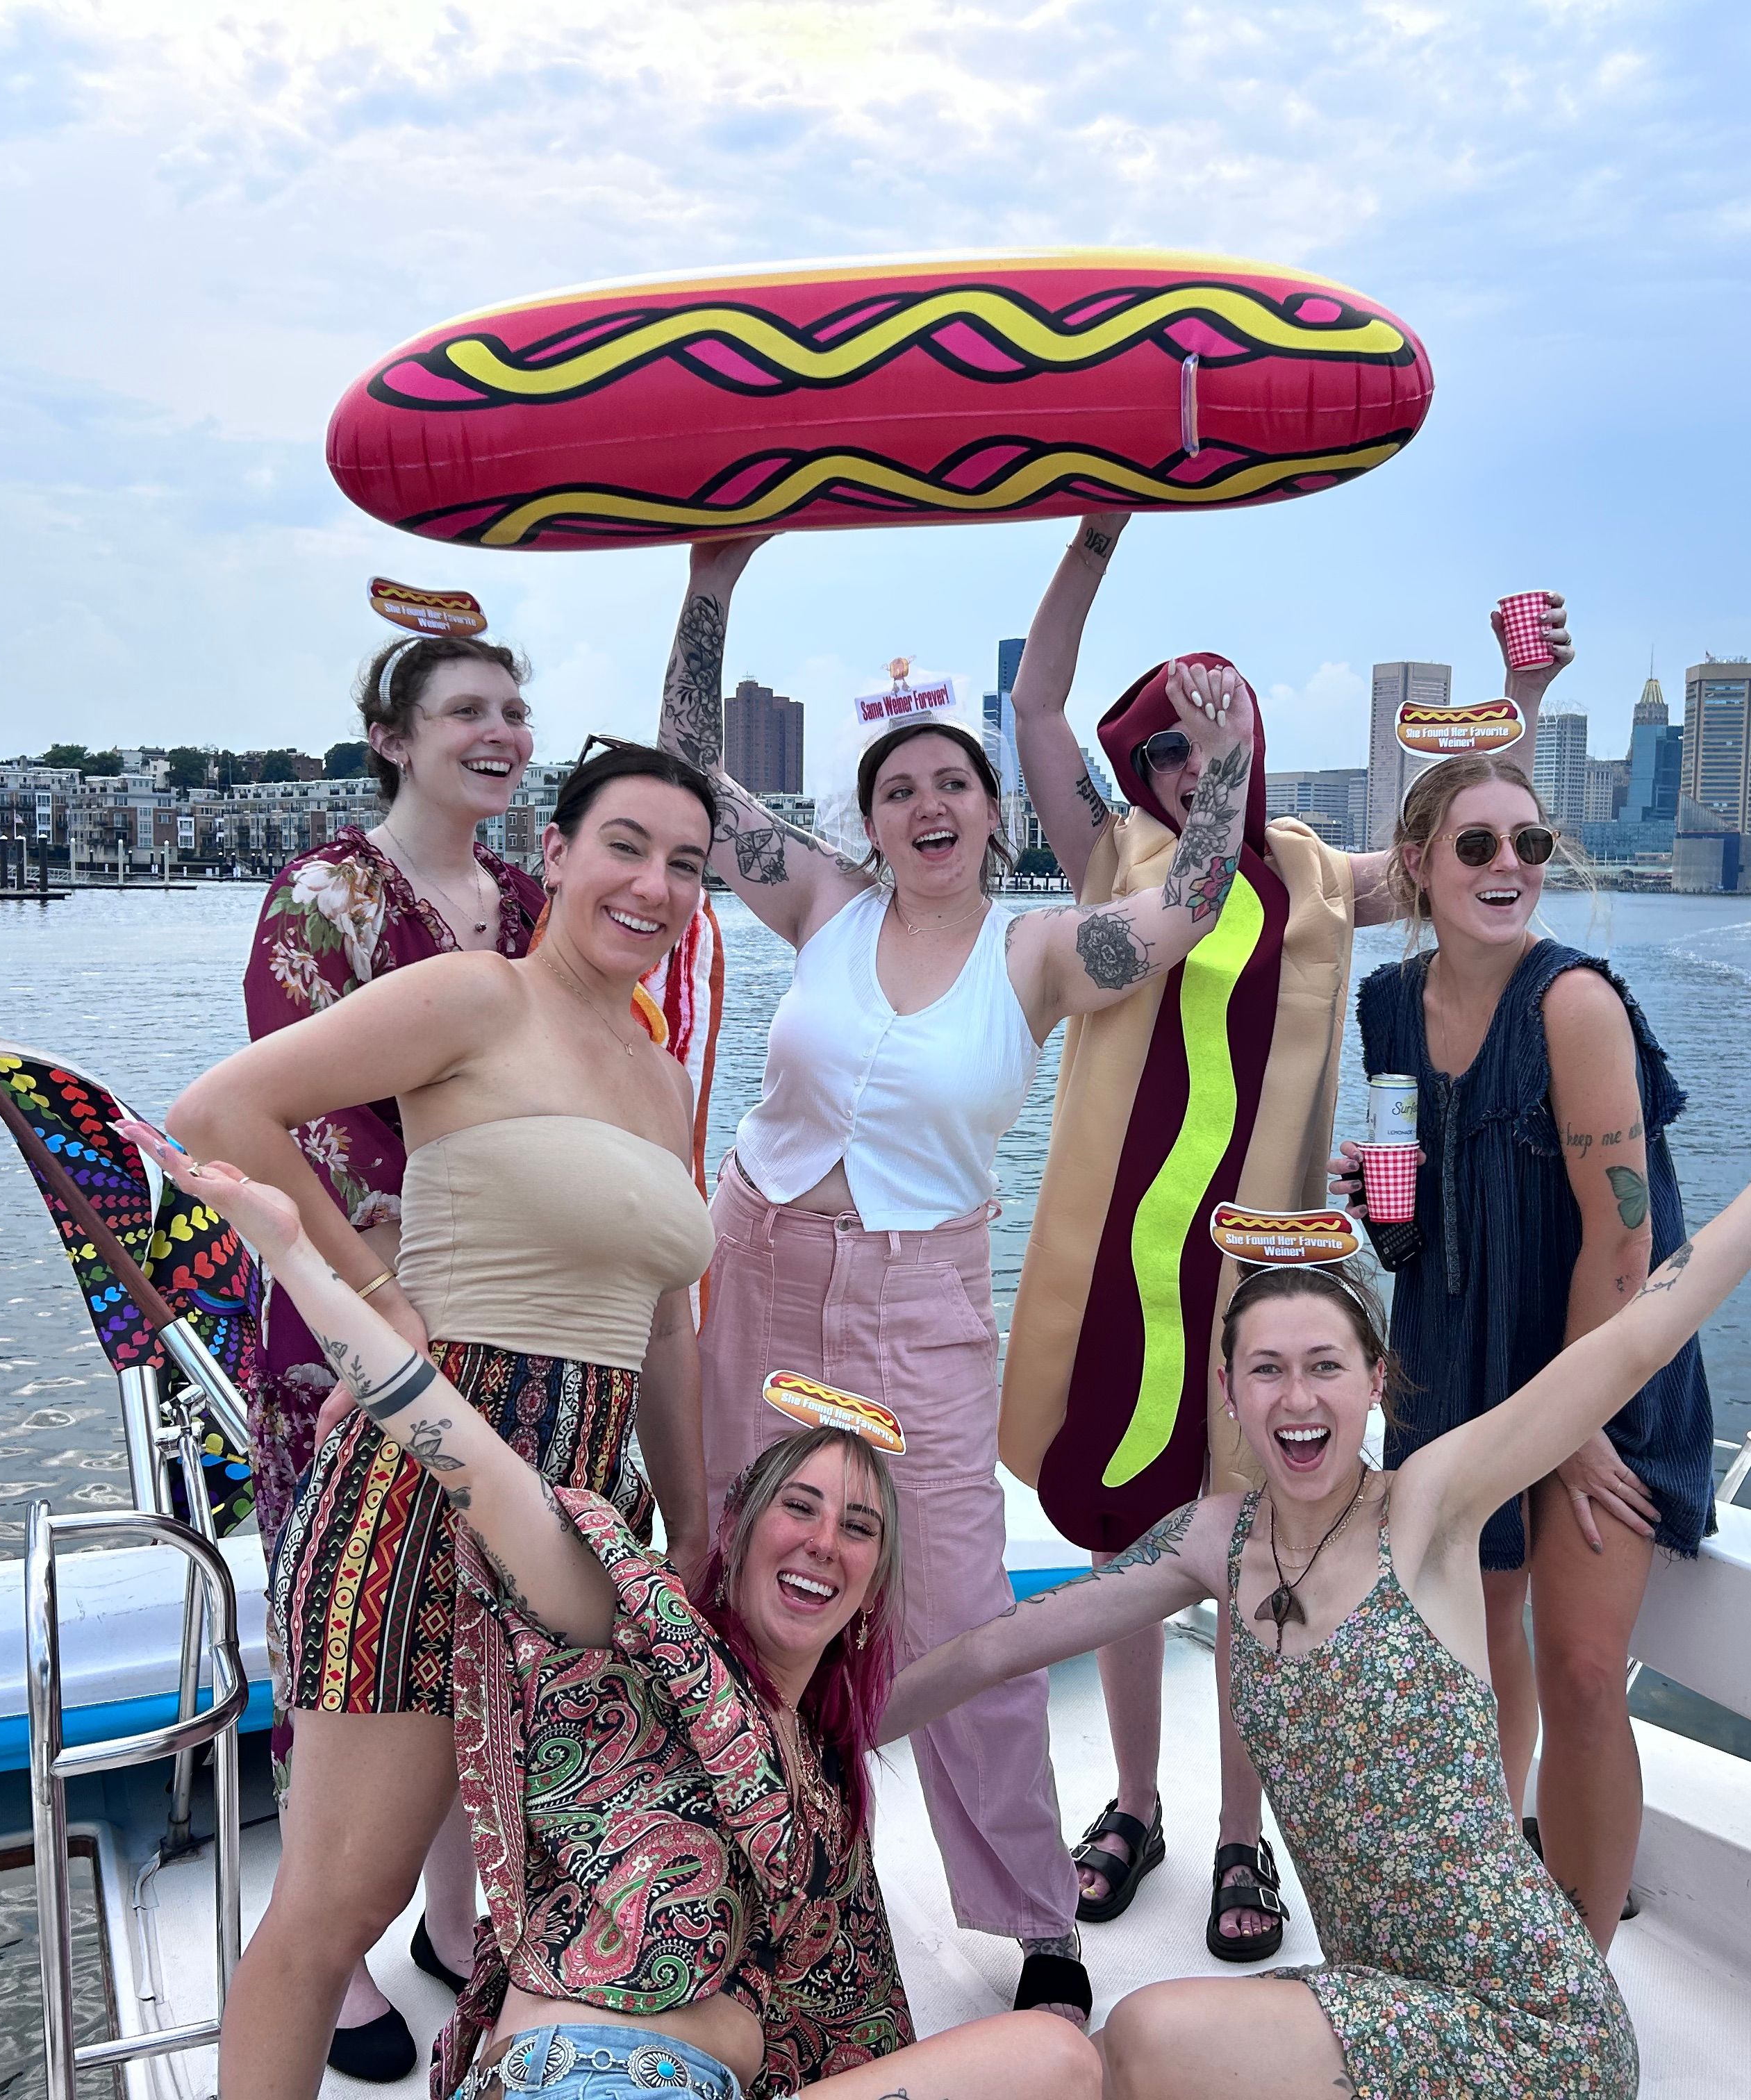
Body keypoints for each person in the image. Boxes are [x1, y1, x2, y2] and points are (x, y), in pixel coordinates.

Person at [888, 1054, 1751, 2100]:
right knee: (1123, 2049)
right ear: (1227, 1391)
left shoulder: (1428, 1508)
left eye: (1326, 1366)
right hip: (1383, 2006)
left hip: (1531, 2023)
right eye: (1265, 1370)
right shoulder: (1208, 1545)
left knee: (1143, 2038)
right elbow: (997, 1649)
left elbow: (1638, 1339)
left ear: (1376, 1381)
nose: (1295, 1398)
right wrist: (806, 1721)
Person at [118, 1125, 1102, 2100]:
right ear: (741, 1533)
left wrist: (1207, 1553)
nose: (821, 1543)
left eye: (857, 1528)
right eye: (797, 1509)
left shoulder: (822, 1754)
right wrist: (292, 1252)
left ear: (872, 1586)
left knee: (1063, 2058)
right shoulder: (637, 1640)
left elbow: (1005, 1647)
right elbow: (471, 1457)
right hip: (578, 2080)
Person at [650, 528, 1262, 2019]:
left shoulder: (1041, 950)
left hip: (919, 1302)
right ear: (867, 818)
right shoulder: (824, 906)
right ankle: (735, 1877)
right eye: (900, 787)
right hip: (761, 1261)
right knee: (742, 1578)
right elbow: (683, 775)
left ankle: (1034, 1919)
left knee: (961, 1612)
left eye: (955, 785)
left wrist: (1230, 761)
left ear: (994, 815)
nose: (930, 806)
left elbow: (1192, 899)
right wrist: (710, 587)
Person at [1003, 524, 1573, 1956]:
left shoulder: (1321, 874)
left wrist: (1527, 694)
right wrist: (1094, 535)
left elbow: (1458, 843)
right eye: (1179, 751)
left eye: (1223, 735)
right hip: (1127, 1275)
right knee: (1123, 1537)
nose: (1205, 770)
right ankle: (1132, 1803)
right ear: (1151, 776)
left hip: (1269, 1273)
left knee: (1260, 1543)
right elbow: (1035, 708)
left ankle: (1244, 1842)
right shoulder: (1115, 858)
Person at [169, 742, 728, 2100]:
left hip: (594, 1524)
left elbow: (664, 1331)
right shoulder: (479, 996)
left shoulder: (662, 1080)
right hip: (426, 1492)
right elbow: (220, 1112)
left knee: (559, 1917)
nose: (655, 885)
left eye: (688, 866)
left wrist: (699, 1543)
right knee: (331, 1912)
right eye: (627, 846)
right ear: (557, 853)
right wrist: (382, 1305)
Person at [238, 626, 547, 2071]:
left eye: (514, 711)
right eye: (467, 712)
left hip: (511, 1319)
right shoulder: (327, 901)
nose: (500, 731)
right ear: (397, 739)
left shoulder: (540, 901)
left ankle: (452, 1907)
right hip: (356, 1325)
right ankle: (334, 1943)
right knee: (348, 1633)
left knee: (476, 1615)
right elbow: (293, 1129)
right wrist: (392, 1291)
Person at [1337, 753, 1707, 1944]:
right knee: (1475, 1662)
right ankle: (1492, 1934)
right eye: (1479, 846)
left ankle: (1581, 1977)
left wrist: (1579, 1417)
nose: (1510, 869)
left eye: (1530, 846)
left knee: (1586, 1676)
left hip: (1600, 1364)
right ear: (1418, 866)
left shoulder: (1575, 1004)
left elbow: (1624, 1231)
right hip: (1460, 1357)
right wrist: (1388, 1200)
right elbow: (1413, 1226)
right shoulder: (1390, 1006)